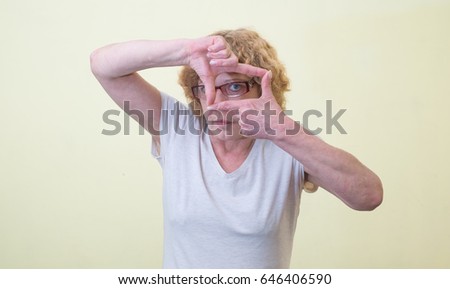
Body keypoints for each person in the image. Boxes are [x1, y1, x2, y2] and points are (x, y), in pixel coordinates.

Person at [90, 28, 383, 268]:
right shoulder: (178, 131)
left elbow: (368, 195)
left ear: (264, 89)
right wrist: (188, 51)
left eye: (233, 87)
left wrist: (282, 130)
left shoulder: (289, 143)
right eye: (204, 87)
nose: (216, 103)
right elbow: (103, 65)